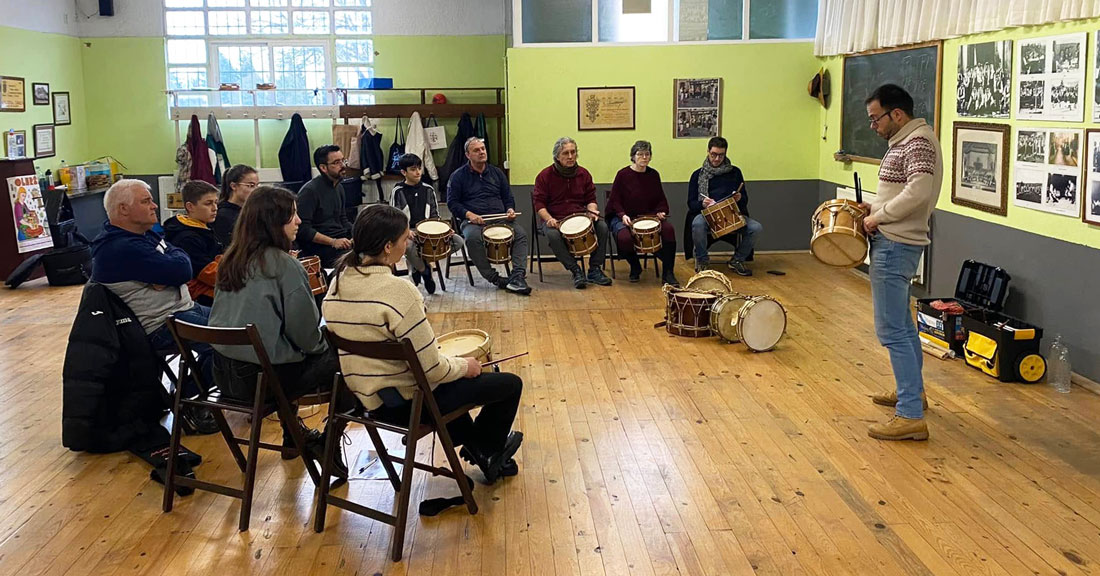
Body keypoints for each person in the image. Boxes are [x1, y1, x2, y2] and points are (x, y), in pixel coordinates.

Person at [323, 205, 524, 484]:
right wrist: (465, 366)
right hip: (407, 404)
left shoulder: (337, 281)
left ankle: (480, 447)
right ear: (388, 247)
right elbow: (432, 370)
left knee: (451, 386)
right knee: (507, 383)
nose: (409, 244)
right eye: (406, 239)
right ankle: (486, 449)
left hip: (366, 399)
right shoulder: (399, 292)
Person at [209, 185, 360, 475]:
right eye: (292, 215)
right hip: (262, 381)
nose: (299, 221)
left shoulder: (230, 259)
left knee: (287, 350)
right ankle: (329, 442)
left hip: (223, 374)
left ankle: (296, 438)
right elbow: (307, 338)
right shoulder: (285, 265)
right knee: (351, 356)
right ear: (273, 222)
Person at [90, 179, 217, 434]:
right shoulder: (119, 247)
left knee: (242, 322)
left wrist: (170, 271)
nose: (155, 205)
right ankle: (189, 400)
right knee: (235, 342)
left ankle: (190, 393)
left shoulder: (143, 235)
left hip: (183, 309)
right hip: (161, 324)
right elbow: (184, 267)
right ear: (123, 209)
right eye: (146, 201)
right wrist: (172, 269)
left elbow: (179, 256)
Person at [862, 84, 942, 441]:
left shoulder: (918, 142)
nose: (873, 126)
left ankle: (909, 413)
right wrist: (875, 210)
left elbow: (919, 192)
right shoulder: (909, 141)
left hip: (896, 244)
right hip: (895, 239)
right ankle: (914, 392)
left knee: (891, 329)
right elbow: (904, 192)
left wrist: (879, 218)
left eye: (875, 118)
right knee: (904, 327)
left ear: (897, 114)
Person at [446, 137, 532, 295]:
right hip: (473, 221)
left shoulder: (496, 173)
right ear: (467, 155)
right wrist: (469, 214)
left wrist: (510, 209)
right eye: (476, 150)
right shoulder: (458, 176)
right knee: (472, 238)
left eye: (483, 149)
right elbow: (452, 203)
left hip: (500, 218)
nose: (481, 152)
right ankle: (494, 277)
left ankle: (518, 276)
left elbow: (508, 197)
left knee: (520, 234)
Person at [533, 137, 612, 289]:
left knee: (602, 226)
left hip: (579, 216)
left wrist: (593, 211)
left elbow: (590, 198)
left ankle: (594, 269)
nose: (570, 156)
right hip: (554, 219)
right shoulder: (545, 175)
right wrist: (549, 219)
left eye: (573, 152)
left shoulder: (584, 174)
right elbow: (539, 204)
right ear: (557, 156)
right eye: (565, 153)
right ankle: (575, 270)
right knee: (552, 235)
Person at [687, 136, 763, 276]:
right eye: (713, 154)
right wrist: (702, 204)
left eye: (721, 155)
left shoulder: (735, 172)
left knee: (756, 228)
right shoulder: (698, 175)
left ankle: (737, 259)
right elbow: (691, 203)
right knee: (697, 223)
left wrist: (739, 198)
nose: (717, 159)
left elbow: (744, 199)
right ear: (708, 152)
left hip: (731, 213)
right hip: (708, 214)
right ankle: (702, 260)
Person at [607, 140, 679, 285]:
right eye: (640, 154)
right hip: (625, 216)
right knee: (624, 238)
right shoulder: (622, 174)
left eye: (647, 154)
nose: (644, 157)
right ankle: (635, 266)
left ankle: (668, 272)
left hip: (648, 216)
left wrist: (661, 211)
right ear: (633, 156)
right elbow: (615, 200)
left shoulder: (653, 175)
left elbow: (660, 198)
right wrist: (622, 215)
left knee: (669, 230)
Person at [391, 153, 464, 295]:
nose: (418, 172)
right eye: (413, 169)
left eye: (419, 168)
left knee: (457, 242)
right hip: (408, 231)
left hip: (428, 230)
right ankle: (425, 271)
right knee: (410, 246)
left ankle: (418, 265)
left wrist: (444, 230)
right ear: (403, 172)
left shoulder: (428, 189)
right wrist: (406, 231)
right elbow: (395, 216)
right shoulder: (397, 191)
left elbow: (435, 215)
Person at [163, 180, 223, 306]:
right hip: (199, 296)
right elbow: (211, 275)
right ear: (190, 207)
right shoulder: (186, 238)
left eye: (216, 203)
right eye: (208, 203)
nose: (215, 208)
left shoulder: (203, 228)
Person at [296, 145, 353, 267]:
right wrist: (333, 242)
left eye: (343, 160)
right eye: (337, 162)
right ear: (323, 168)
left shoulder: (339, 188)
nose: (343, 165)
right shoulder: (309, 191)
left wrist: (359, 233)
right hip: (321, 248)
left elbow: (343, 220)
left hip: (340, 241)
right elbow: (303, 230)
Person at [211, 164, 258, 247]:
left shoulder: (250, 211)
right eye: (250, 186)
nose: (255, 191)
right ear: (233, 186)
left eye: (256, 186)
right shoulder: (222, 215)